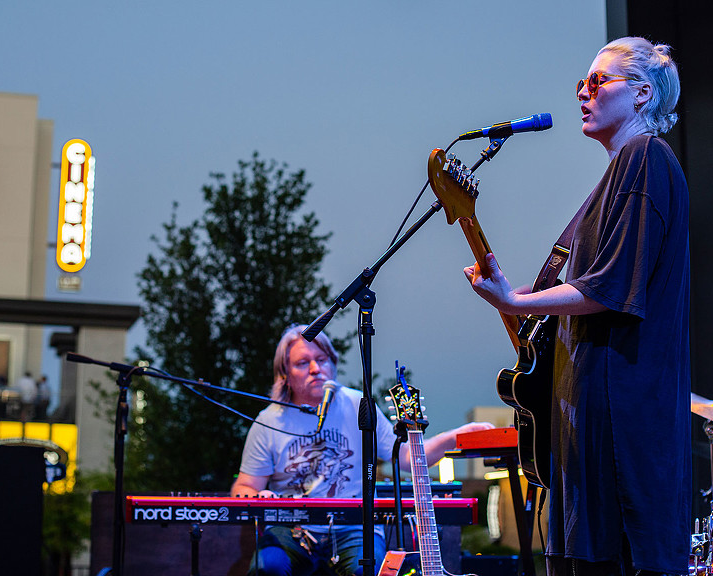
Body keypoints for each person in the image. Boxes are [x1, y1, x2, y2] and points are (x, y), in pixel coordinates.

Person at [464, 37, 690, 576]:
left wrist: (516, 299)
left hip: (619, 431)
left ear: (642, 94)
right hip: (587, 425)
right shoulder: (619, 174)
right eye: (581, 83)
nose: (582, 92)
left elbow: (608, 287)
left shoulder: (645, 158)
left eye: (598, 81)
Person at [231, 324, 492, 576]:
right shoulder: (268, 421)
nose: (315, 369)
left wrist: (456, 437)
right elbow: (243, 487)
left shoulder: (358, 404)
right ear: (284, 374)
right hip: (290, 528)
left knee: (369, 569)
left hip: (352, 527)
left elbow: (406, 457)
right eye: (302, 363)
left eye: (321, 359)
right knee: (267, 569)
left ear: (332, 363)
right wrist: (258, 495)